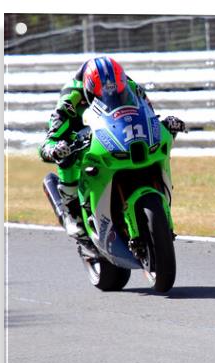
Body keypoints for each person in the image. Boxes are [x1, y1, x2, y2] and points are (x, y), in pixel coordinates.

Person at [38, 56, 186, 239]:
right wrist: (55, 148)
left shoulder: (130, 86)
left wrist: (165, 124)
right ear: (89, 89)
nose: (113, 94)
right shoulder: (70, 97)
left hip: (114, 128)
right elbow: (49, 140)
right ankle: (71, 212)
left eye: (117, 90)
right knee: (66, 155)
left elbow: (149, 115)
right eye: (105, 92)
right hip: (81, 130)